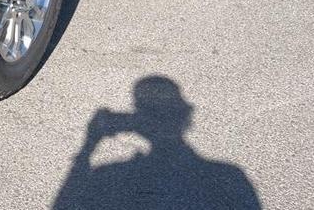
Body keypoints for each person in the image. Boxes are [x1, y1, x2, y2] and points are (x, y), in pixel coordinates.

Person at [53, 76, 260, 209]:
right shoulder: (229, 177)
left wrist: (89, 145)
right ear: (186, 115)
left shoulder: (107, 176)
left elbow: (63, 204)